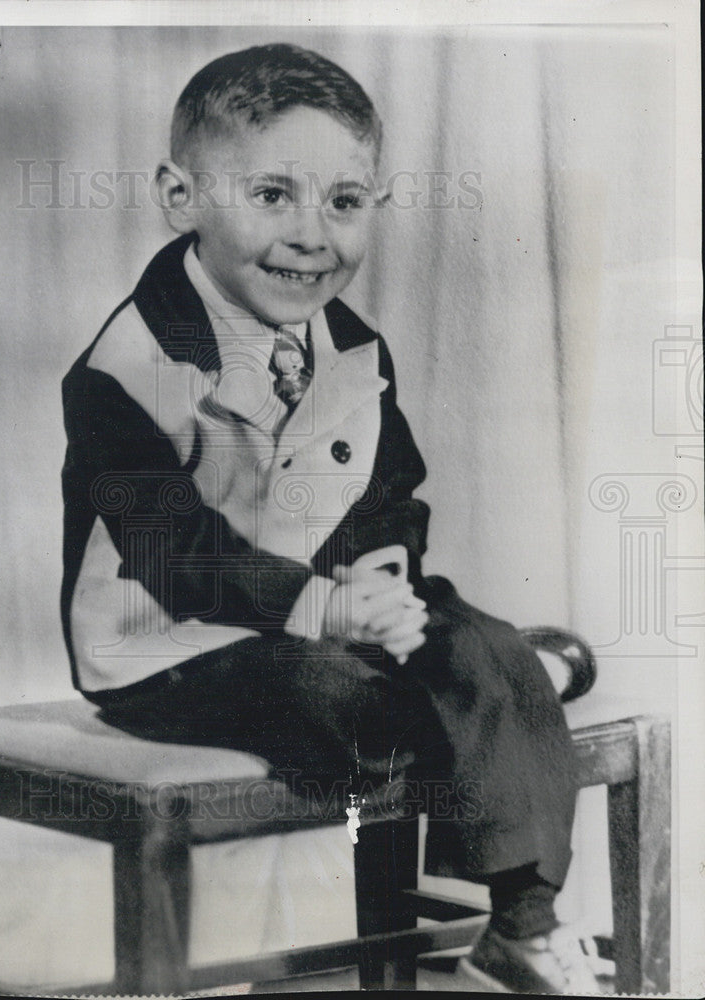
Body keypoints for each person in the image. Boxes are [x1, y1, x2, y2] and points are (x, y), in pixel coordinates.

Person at [60, 42, 598, 994]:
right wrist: (330, 610)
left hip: (328, 612)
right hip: (173, 646)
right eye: (273, 194)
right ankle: (506, 698)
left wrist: (381, 574)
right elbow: (173, 555)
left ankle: (521, 920)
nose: (315, 235)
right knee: (356, 703)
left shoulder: (353, 346)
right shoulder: (125, 368)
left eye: (345, 203)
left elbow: (389, 489)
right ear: (182, 198)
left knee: (474, 639)